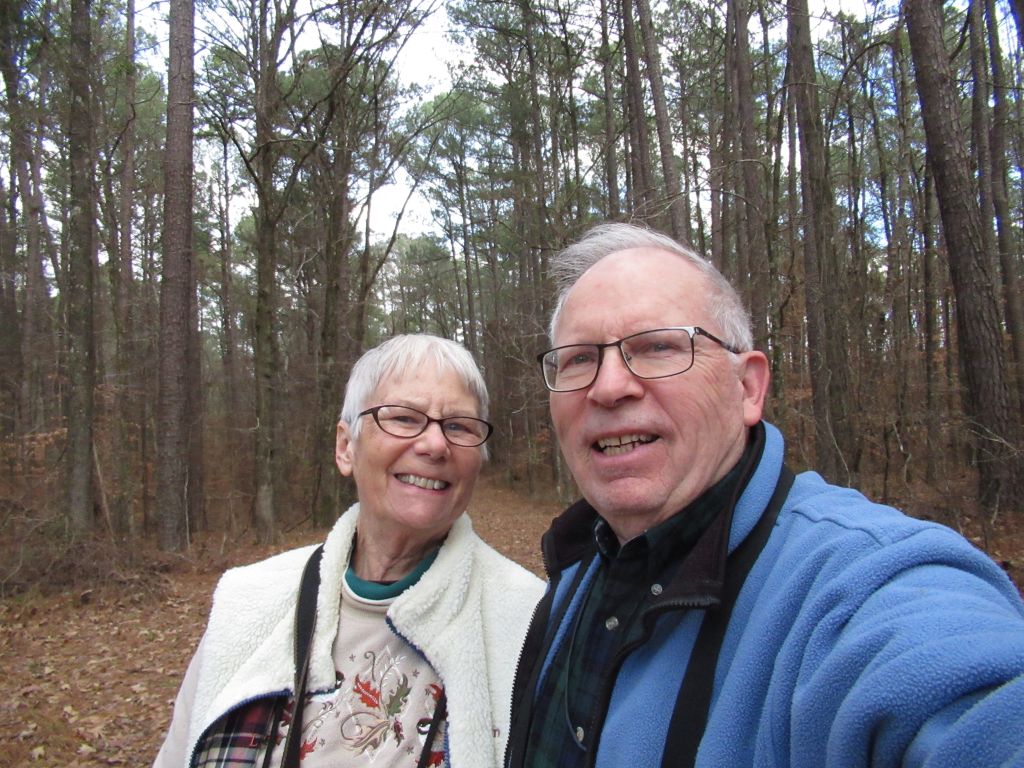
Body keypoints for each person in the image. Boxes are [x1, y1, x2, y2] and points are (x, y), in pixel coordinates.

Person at [504, 222, 1024, 768]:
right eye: (580, 358)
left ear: (748, 388)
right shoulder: (580, 567)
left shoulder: (853, 588)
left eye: (657, 347)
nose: (608, 386)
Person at [155, 333, 544, 768]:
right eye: (402, 417)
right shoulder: (248, 602)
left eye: (458, 426)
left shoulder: (530, 620)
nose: (436, 445)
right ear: (346, 447)